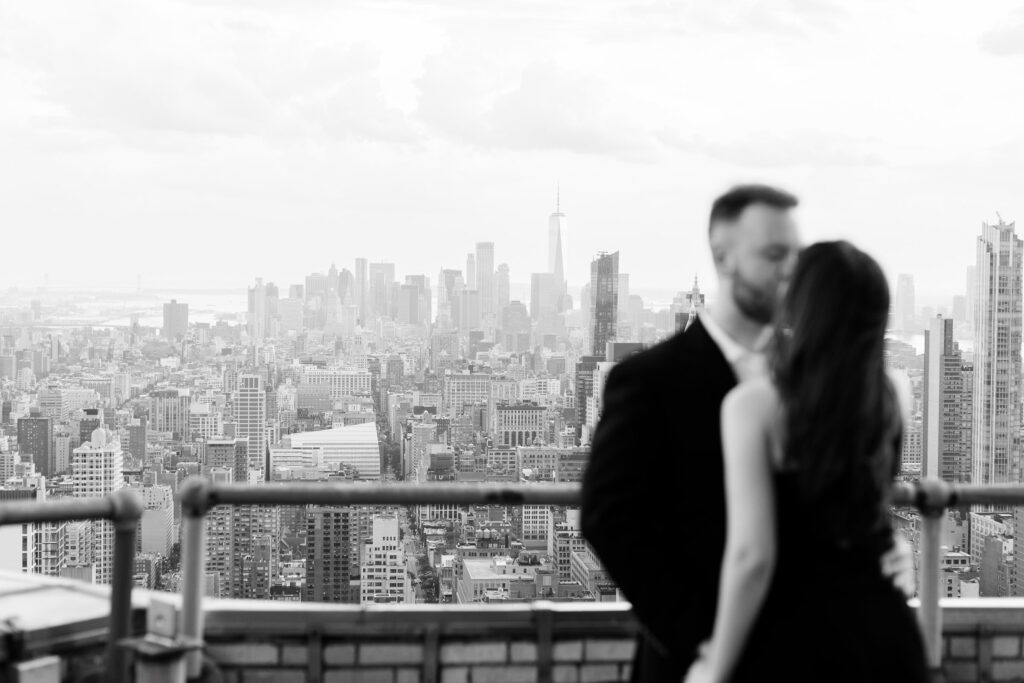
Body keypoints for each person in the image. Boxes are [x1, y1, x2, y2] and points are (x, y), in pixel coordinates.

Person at [580, 185, 915, 683]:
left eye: (798, 257)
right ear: (723, 256)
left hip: (828, 648)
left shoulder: (827, 374)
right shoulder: (650, 380)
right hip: (706, 650)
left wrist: (887, 546)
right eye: (774, 254)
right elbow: (610, 520)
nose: (790, 270)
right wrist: (704, 639)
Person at [682, 241, 927, 682]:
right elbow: (869, 501)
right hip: (885, 629)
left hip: (795, 635)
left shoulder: (753, 407)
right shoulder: (895, 391)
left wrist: (715, 666)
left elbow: (752, 557)